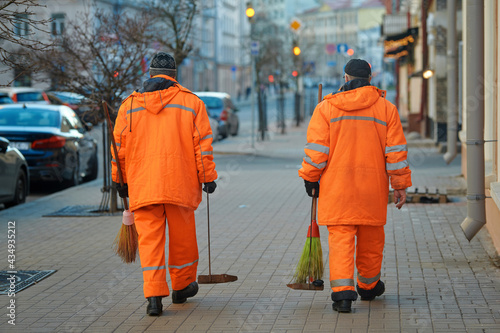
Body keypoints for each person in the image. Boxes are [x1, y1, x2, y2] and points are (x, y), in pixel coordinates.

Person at [298, 59, 412, 313]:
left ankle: (342, 295)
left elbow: (317, 150)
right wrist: (400, 185)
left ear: (345, 79)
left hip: (337, 190)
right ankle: (369, 286)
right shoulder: (386, 109)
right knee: (372, 240)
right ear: (370, 79)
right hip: (372, 190)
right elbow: (396, 153)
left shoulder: (326, 108)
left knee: (340, 240)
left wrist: (310, 177)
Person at [111, 52, 218, 316]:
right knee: (182, 240)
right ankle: (181, 288)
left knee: (150, 242)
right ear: (174, 75)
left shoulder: (129, 106)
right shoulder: (191, 103)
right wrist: (207, 177)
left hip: (143, 186)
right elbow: (201, 145)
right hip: (179, 185)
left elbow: (119, 149)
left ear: (150, 74)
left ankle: (154, 297)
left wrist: (120, 180)